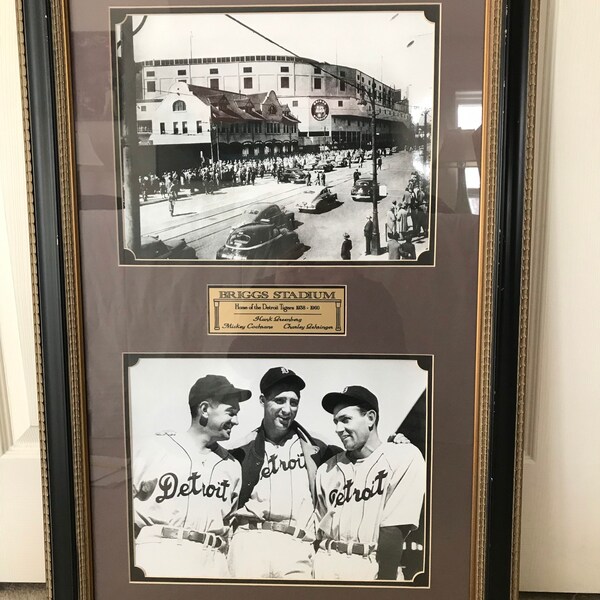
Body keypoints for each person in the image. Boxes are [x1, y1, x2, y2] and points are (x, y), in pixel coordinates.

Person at [132, 375, 251, 578]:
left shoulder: (232, 466)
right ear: (204, 410)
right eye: (231, 413)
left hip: (213, 560)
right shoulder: (153, 448)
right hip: (159, 553)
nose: (237, 421)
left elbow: (229, 524)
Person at [228, 367, 340, 579]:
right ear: (263, 401)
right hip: (251, 541)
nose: (287, 409)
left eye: (293, 402)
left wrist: (392, 445)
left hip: (296, 544)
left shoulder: (318, 448)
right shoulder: (240, 449)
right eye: (279, 401)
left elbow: (358, 459)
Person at [314, 386, 426, 581]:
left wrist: (385, 585)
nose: (338, 429)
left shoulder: (404, 457)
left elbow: (394, 529)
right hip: (325, 562)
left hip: (371, 565)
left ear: (371, 418)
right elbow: (318, 531)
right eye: (336, 421)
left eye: (345, 419)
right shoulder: (326, 469)